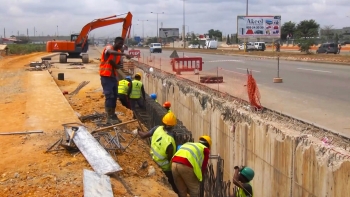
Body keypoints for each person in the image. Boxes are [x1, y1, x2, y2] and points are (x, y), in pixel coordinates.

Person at [137, 112, 179, 195]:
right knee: (174, 184)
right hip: (165, 167)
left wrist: (138, 131)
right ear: (173, 125)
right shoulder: (170, 141)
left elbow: (144, 135)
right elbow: (171, 158)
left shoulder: (157, 128)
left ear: (163, 122)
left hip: (153, 159)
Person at [100, 36, 133, 125]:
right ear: (115, 43)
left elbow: (114, 63)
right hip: (106, 77)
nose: (121, 45)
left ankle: (113, 115)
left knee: (114, 96)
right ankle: (109, 117)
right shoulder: (108, 48)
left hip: (113, 77)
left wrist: (118, 63)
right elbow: (110, 52)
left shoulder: (118, 52)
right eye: (119, 44)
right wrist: (124, 54)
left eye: (122, 44)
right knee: (109, 96)